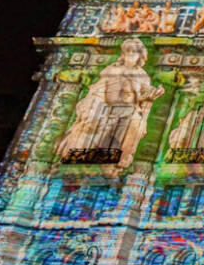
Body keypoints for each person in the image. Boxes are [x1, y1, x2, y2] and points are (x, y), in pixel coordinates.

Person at [55, 38, 164, 168]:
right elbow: (100, 91)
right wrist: (95, 105)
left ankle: (120, 160)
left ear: (141, 56)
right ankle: (78, 156)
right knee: (92, 119)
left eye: (134, 51)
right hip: (104, 105)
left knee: (136, 124)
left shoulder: (143, 75)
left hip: (128, 109)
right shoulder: (112, 70)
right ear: (123, 54)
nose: (130, 54)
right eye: (128, 51)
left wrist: (153, 94)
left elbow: (143, 94)